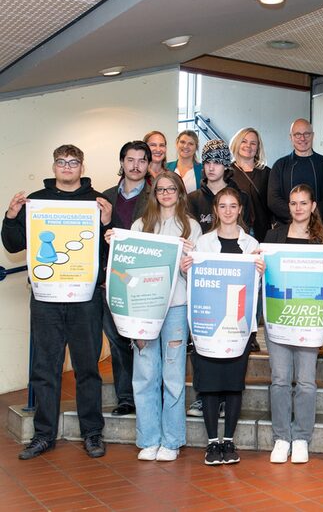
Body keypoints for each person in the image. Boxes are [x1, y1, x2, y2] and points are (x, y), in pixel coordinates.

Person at [3, 144, 111, 460]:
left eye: (73, 162)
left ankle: (92, 433)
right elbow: (13, 244)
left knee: (87, 368)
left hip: (85, 299)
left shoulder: (97, 201)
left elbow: (106, 251)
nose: (67, 167)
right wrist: (10, 217)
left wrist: (106, 223)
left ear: (81, 166)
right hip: (46, 299)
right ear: (53, 166)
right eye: (61, 162)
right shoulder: (35, 201)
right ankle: (43, 435)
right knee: (44, 369)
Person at [120, 170, 202, 462]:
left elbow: (196, 274)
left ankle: (172, 440)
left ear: (180, 193)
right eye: (161, 190)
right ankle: (149, 438)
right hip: (144, 309)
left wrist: (188, 265)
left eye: (171, 189)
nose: (166, 194)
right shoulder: (140, 225)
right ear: (154, 194)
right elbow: (128, 267)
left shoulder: (191, 227)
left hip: (176, 308)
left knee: (173, 376)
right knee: (144, 375)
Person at [181, 187, 263, 466]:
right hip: (208, 325)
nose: (228, 211)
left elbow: (255, 289)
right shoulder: (202, 244)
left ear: (240, 209)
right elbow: (193, 280)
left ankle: (228, 441)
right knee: (210, 386)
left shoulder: (252, 245)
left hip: (238, 326)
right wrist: (186, 267)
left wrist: (262, 271)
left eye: (233, 206)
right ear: (215, 210)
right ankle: (211, 443)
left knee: (232, 385)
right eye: (223, 206)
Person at [186, 139, 256, 417]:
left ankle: (228, 396)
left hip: (235, 280)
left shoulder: (242, 196)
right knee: (202, 341)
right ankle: (204, 396)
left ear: (226, 164)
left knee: (232, 337)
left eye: (216, 161)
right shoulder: (192, 198)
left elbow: (250, 231)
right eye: (207, 161)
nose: (211, 166)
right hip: (205, 284)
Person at [264, 184, 323, 464]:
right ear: (288, 206)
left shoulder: (322, 240)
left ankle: (301, 437)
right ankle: (281, 437)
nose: (298, 208)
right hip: (279, 319)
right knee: (280, 380)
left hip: (307, 320)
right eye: (293, 203)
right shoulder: (274, 235)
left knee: (305, 381)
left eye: (304, 203)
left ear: (313, 206)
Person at [101, 140, 153, 417]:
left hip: (145, 278)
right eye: (130, 160)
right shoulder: (104, 196)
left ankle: (148, 393)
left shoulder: (157, 195)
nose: (135, 166)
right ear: (121, 162)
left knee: (145, 339)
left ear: (148, 164)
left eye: (141, 160)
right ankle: (126, 397)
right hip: (112, 279)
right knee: (118, 340)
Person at [268, 118, 323, 231]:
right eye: (297, 134)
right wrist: (297, 215)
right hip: (286, 229)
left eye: (307, 134)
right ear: (291, 137)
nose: (302, 138)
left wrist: (312, 216)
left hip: (319, 228)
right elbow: (273, 199)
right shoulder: (280, 165)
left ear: (313, 135)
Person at [187, 139, 253, 234]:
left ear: (226, 166)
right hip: (200, 248)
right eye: (207, 162)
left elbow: (245, 232)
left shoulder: (242, 198)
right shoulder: (192, 199)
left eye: (217, 163)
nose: (211, 168)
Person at [229, 127, 273, 242]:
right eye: (244, 141)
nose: (248, 146)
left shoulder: (267, 173)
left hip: (262, 231)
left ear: (258, 148)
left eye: (253, 143)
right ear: (236, 143)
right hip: (234, 231)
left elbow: (272, 203)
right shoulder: (226, 173)